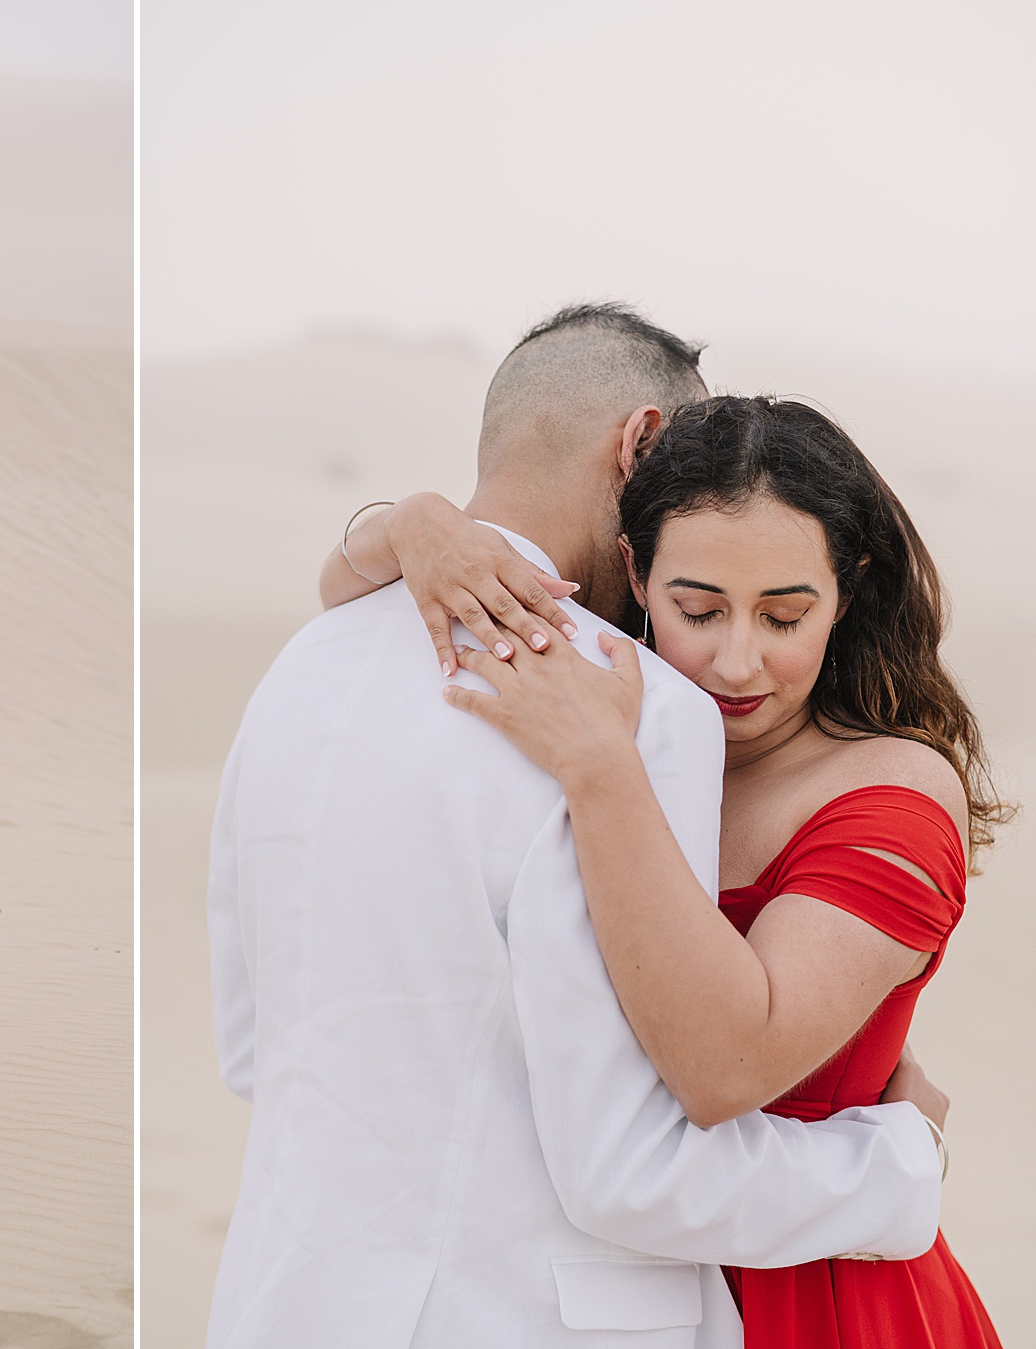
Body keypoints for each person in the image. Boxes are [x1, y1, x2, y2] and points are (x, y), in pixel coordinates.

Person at [207, 305, 951, 1349]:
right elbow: (625, 1169)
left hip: (282, 1299)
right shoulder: (635, 706)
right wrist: (898, 1160)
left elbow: (251, 1047)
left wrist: (398, 523)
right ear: (642, 446)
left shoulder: (303, 664)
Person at [345, 391, 1004, 1345]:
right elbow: (341, 611)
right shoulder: (617, 704)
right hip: (578, 1286)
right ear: (635, 574)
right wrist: (406, 525)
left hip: (816, 1290)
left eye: (785, 616)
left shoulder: (890, 791)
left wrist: (599, 768)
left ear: (850, 591)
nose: (737, 663)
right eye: (699, 609)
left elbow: (726, 1065)